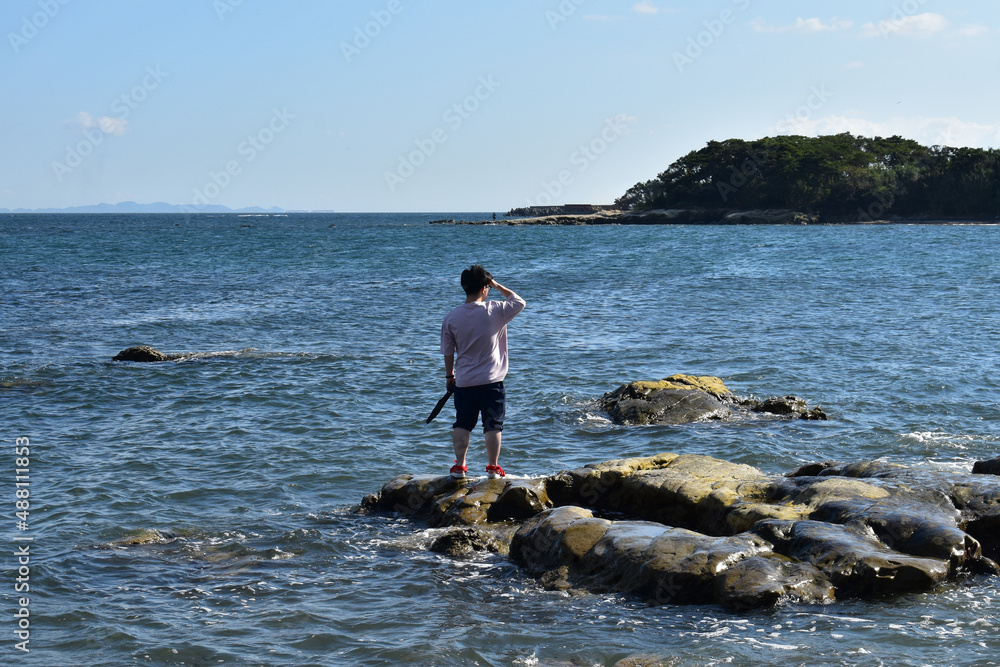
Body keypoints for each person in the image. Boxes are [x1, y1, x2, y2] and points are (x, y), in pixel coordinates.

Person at [440, 265, 526, 479]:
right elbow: (520, 302)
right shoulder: (496, 309)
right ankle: (492, 467)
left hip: (464, 381)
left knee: (462, 423)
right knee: (493, 425)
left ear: (464, 288)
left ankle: (459, 467)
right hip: (492, 381)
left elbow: (448, 351)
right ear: (484, 288)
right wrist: (497, 285)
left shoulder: (451, 317)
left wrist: (450, 376)